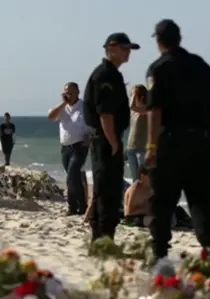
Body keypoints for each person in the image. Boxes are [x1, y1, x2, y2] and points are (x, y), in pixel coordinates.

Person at [144, 19, 210, 261]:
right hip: (201, 143)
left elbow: (154, 110)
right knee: (201, 203)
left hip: (170, 145)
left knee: (163, 203)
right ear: (179, 38)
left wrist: (151, 147)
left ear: (159, 41)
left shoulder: (158, 68)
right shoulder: (200, 65)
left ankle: (159, 255)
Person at [82, 32, 138, 241]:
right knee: (107, 192)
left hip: (107, 138)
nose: (128, 53)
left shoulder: (112, 74)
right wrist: (113, 141)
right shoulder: (105, 75)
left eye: (129, 49)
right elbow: (105, 113)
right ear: (111, 48)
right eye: (124, 49)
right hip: (105, 140)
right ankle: (102, 239)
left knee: (107, 191)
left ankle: (104, 238)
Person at [47, 82, 90, 215]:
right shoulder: (62, 108)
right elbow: (50, 117)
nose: (68, 95)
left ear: (78, 92)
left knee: (72, 174)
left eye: (71, 92)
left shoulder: (84, 107)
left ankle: (79, 206)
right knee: (73, 178)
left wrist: (90, 137)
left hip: (80, 146)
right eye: (66, 92)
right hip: (65, 148)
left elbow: (95, 124)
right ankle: (76, 207)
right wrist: (63, 103)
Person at [127, 85, 149, 182]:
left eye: (133, 95)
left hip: (142, 148)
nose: (131, 97)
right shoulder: (134, 112)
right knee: (135, 179)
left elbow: (132, 106)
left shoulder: (147, 109)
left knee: (143, 178)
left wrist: (135, 93)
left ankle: (147, 196)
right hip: (131, 147)